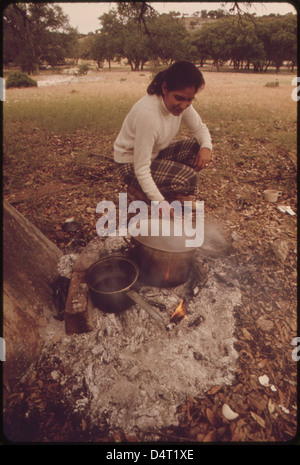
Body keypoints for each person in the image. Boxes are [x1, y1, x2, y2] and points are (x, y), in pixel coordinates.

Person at [114, 61, 212, 216]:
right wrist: (160, 203)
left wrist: (206, 146)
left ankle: (166, 194)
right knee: (189, 178)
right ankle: (141, 192)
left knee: (196, 148)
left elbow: (200, 128)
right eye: (179, 98)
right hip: (130, 164)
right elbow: (141, 168)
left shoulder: (183, 103)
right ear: (165, 88)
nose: (183, 105)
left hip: (153, 154)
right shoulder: (148, 115)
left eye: (189, 100)